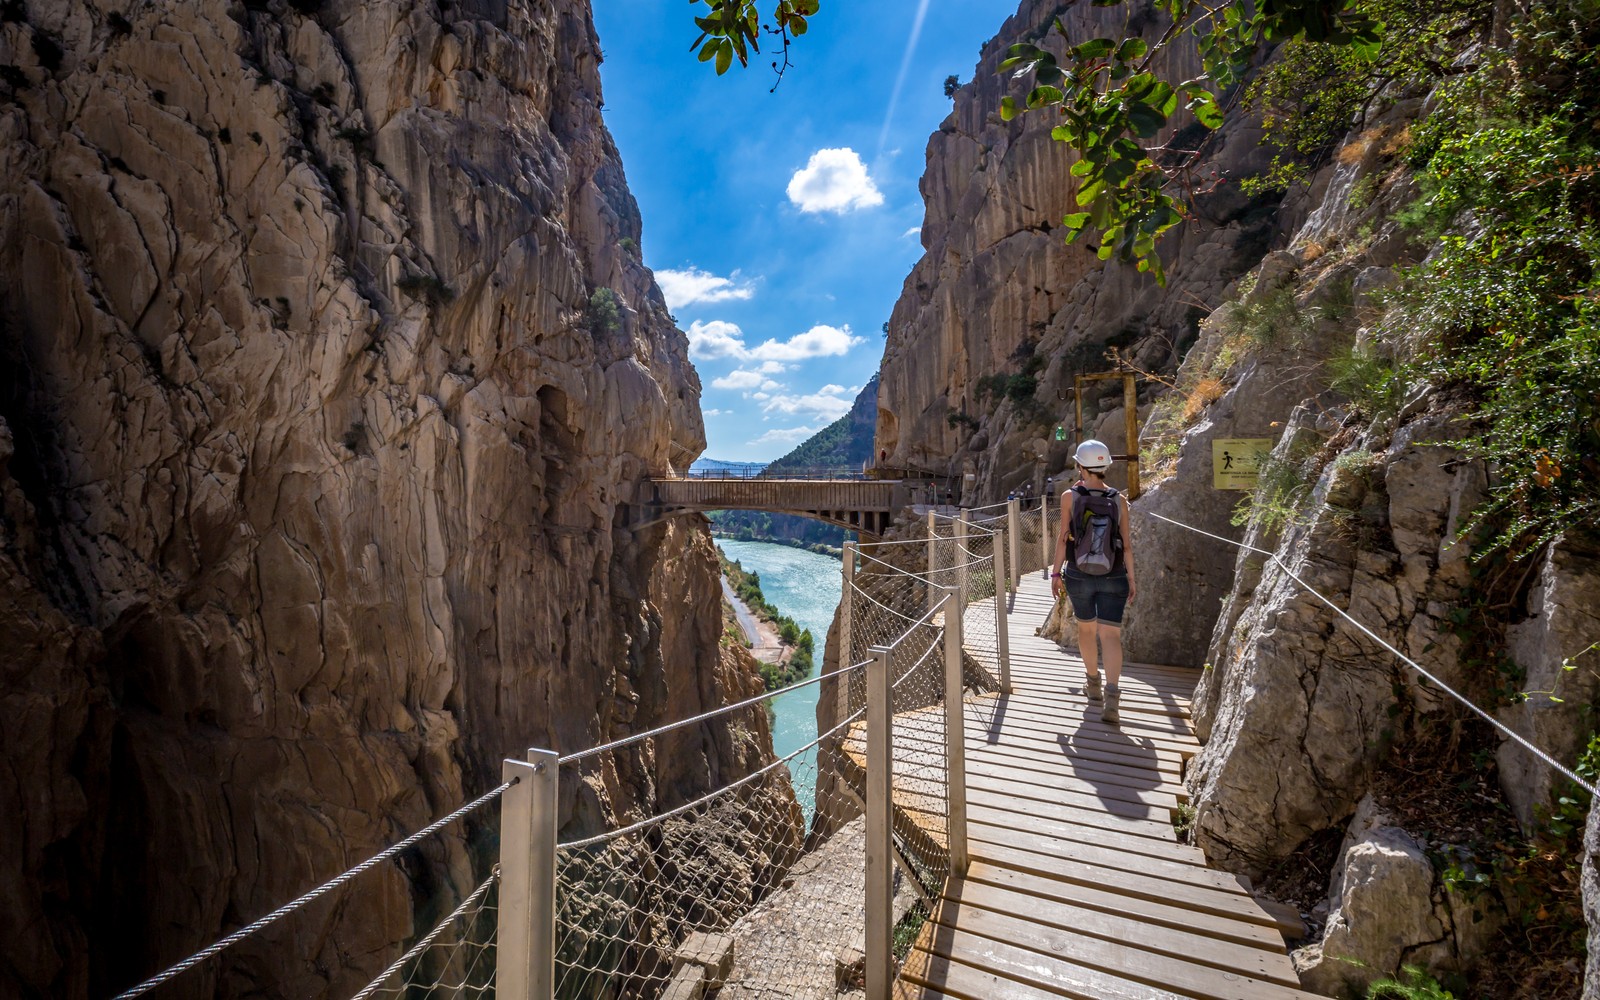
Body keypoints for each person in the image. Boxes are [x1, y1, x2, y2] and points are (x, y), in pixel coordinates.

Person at [1050, 439, 1137, 723]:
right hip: (1114, 574)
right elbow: (1126, 545)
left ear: (1080, 466)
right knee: (1111, 636)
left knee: (1086, 632)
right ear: (1105, 466)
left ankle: (1093, 686)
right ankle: (1112, 698)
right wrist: (1131, 579)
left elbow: (1064, 538)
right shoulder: (1119, 500)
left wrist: (1055, 572)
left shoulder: (1069, 497)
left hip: (1079, 573)